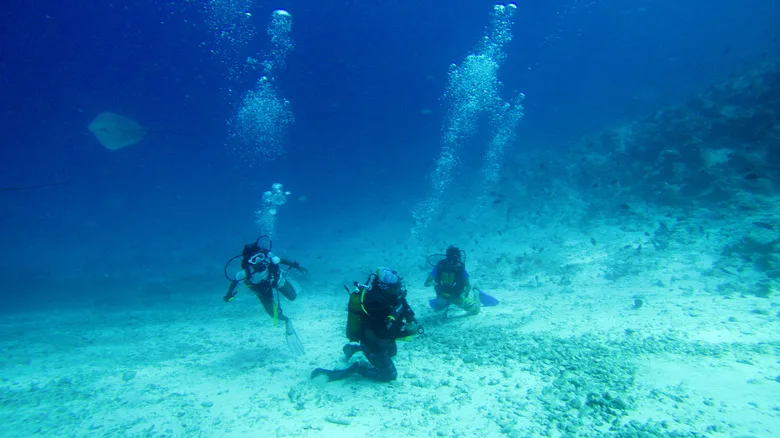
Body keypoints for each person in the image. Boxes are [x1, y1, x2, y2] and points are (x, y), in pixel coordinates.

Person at [311, 267, 420, 382]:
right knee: (389, 375)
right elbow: (381, 332)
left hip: (384, 337)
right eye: (394, 287)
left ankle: (353, 349)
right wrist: (406, 332)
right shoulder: (374, 302)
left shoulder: (392, 294)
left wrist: (410, 318)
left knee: (392, 352)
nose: (398, 289)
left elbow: (402, 304)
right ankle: (357, 368)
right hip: (372, 341)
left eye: (398, 285)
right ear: (384, 287)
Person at [223, 236, 308, 355]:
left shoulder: (269, 258)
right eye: (254, 260)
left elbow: (282, 261)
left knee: (292, 297)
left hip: (275, 279)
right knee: (274, 315)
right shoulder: (244, 273)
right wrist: (228, 294)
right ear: (249, 262)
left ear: (264, 256)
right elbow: (235, 282)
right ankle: (287, 321)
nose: (259, 262)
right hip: (262, 291)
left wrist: (297, 267)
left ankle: (283, 276)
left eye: (260, 257)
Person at [425, 245, 480, 316]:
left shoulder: (460, 269)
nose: (454, 262)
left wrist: (465, 294)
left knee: (475, 311)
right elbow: (426, 283)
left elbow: (468, 285)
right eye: (452, 259)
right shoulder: (440, 267)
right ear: (447, 258)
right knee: (439, 308)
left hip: (457, 296)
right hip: (443, 296)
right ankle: (445, 304)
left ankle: (476, 292)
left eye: (456, 259)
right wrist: (432, 283)